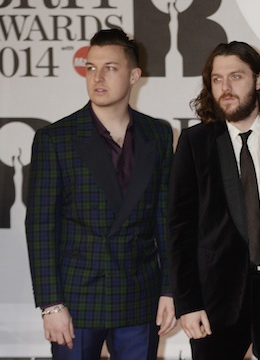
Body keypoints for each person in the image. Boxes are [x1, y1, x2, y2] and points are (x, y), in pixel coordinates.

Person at [25, 28, 176, 359]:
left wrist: (170, 289)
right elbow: (40, 227)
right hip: (77, 299)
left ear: (134, 75)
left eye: (110, 67)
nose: (97, 77)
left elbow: (165, 219)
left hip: (139, 296)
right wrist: (51, 304)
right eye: (91, 68)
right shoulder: (55, 139)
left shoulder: (159, 134)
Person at [167, 41, 260, 360]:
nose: (225, 87)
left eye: (236, 76)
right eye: (217, 79)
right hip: (213, 299)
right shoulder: (195, 143)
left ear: (259, 79)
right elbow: (179, 230)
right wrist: (188, 304)